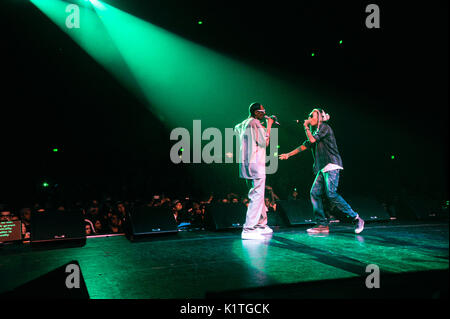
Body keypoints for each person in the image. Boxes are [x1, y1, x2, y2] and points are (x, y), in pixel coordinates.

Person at [279, 108, 364, 234]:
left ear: (319, 118)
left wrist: (306, 127)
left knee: (331, 194)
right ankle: (322, 224)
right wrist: (288, 155)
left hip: (331, 164)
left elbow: (312, 140)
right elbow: (304, 145)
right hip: (322, 167)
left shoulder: (324, 127)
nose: (309, 118)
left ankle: (356, 218)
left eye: (312, 116)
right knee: (314, 193)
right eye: (309, 116)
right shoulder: (315, 131)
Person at [234, 102, 275, 240]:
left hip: (246, 165)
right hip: (256, 164)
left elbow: (236, 128)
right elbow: (265, 142)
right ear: (256, 113)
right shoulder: (255, 123)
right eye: (263, 112)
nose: (265, 114)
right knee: (256, 196)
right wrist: (268, 125)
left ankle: (261, 225)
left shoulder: (244, 123)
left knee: (259, 195)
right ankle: (248, 228)